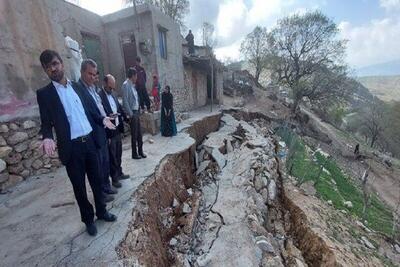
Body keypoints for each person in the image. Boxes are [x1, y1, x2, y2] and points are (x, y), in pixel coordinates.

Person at [36, 50, 117, 236]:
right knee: (79, 187)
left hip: (89, 141)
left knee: (97, 181)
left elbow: (90, 110)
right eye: (48, 67)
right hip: (71, 148)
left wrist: (102, 119)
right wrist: (47, 136)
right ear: (45, 70)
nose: (53, 69)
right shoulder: (45, 94)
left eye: (55, 63)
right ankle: (88, 220)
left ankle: (102, 211)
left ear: (62, 64)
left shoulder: (77, 87)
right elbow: (46, 122)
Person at [74, 59, 117, 202]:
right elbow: (87, 113)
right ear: (82, 72)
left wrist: (106, 117)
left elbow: (99, 107)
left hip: (102, 129)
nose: (93, 77)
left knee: (105, 162)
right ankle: (101, 194)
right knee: (97, 166)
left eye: (94, 74)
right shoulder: (78, 90)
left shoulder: (93, 89)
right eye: (89, 74)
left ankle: (106, 186)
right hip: (92, 132)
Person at [99, 74, 130, 187]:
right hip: (109, 130)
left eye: (113, 87)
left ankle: (119, 172)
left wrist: (126, 118)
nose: (111, 89)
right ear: (104, 84)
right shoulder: (99, 96)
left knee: (118, 153)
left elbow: (119, 107)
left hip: (117, 127)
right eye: (110, 87)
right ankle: (115, 178)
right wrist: (109, 115)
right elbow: (100, 114)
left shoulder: (114, 94)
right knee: (112, 156)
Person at [122, 67, 147, 160]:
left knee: (139, 133)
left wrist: (140, 108)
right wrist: (131, 114)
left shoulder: (132, 85)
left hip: (136, 111)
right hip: (132, 112)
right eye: (136, 75)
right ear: (132, 75)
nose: (136, 77)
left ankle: (140, 151)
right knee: (134, 134)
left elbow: (136, 99)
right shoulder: (125, 85)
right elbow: (125, 101)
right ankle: (134, 153)